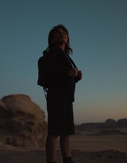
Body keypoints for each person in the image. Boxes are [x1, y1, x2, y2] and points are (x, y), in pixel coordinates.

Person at [44, 25, 82, 163]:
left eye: (64, 32)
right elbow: (49, 74)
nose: (62, 34)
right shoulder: (53, 52)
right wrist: (67, 74)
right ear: (52, 40)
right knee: (54, 132)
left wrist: (75, 78)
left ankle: (68, 160)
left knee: (66, 133)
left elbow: (62, 78)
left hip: (66, 97)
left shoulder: (65, 55)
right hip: (57, 97)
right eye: (57, 33)